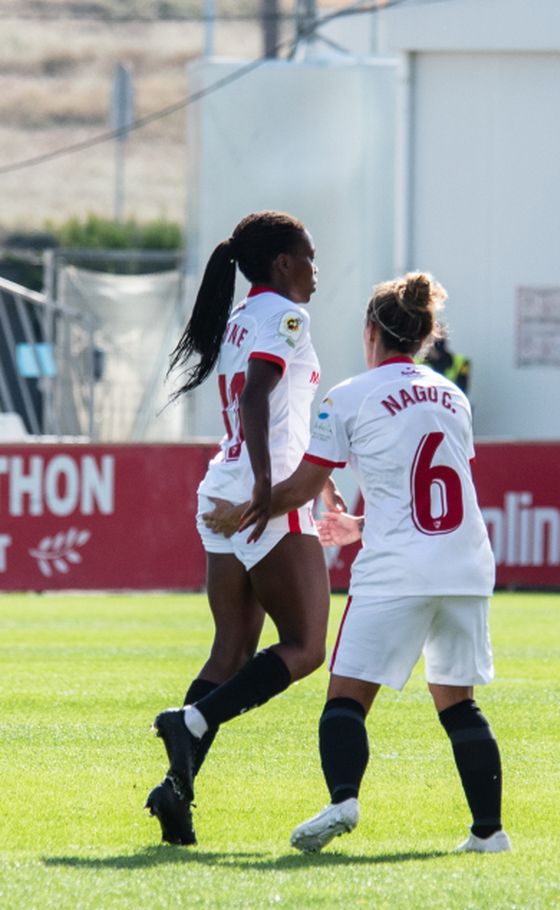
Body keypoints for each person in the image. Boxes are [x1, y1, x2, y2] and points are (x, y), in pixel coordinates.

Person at [206, 272, 507, 852]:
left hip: (396, 572)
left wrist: (243, 510)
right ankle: (489, 833)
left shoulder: (350, 395)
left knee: (345, 697)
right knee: (459, 704)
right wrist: (360, 525)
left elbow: (300, 489)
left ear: (371, 331)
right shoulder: (454, 395)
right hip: (466, 566)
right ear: (423, 337)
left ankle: (343, 800)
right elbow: (438, 497)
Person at [147, 211, 334, 846]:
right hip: (264, 492)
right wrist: (266, 491)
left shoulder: (237, 317)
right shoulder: (287, 317)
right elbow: (257, 397)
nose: (315, 268)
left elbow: (274, 408)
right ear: (282, 263)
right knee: (307, 647)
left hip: (219, 486)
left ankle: (174, 791)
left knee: (229, 652)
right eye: (308, 255)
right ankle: (194, 721)